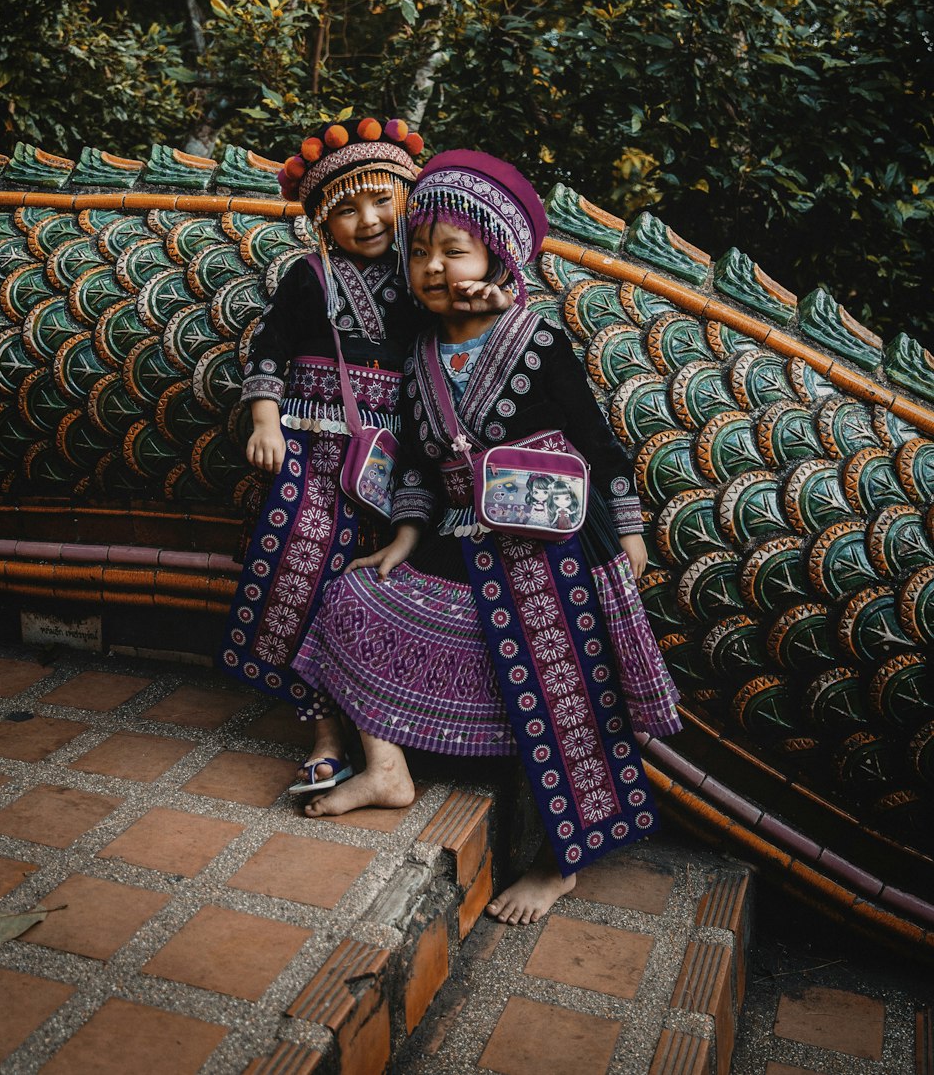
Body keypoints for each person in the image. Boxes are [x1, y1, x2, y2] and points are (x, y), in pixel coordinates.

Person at [291, 150, 682, 921]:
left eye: (454, 250)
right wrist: (403, 539)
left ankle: (561, 861)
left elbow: (598, 446)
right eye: (422, 250)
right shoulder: (420, 354)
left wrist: (629, 532)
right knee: (355, 596)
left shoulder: (534, 338)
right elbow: (413, 463)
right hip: (457, 538)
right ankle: (386, 769)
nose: (434, 267)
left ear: (497, 258)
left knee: (563, 684)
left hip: (552, 543)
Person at [220, 116, 424, 794]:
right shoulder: (310, 276)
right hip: (311, 448)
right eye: (346, 208)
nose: (367, 219)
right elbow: (271, 347)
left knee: (367, 587)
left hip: (390, 460)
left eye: (380, 199)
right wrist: (265, 418)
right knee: (299, 566)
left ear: (406, 197)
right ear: (320, 221)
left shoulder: (421, 274)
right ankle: (326, 733)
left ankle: (382, 740)